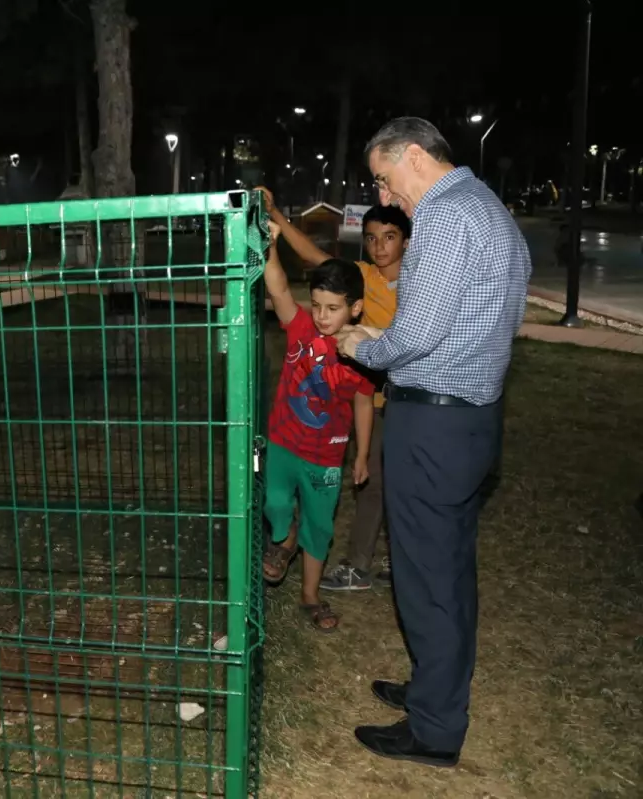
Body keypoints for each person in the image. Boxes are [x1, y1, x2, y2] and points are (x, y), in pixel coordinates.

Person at [335, 117, 530, 766]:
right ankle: (436, 687)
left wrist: (368, 346)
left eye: (385, 180)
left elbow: (416, 334)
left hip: (434, 423)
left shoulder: (446, 217)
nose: (386, 199)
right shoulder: (492, 209)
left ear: (415, 156)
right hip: (473, 418)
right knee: (450, 569)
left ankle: (435, 727)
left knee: (426, 578)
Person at [258, 188, 410, 590]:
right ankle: (346, 559)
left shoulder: (421, 286)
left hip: (398, 397)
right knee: (370, 480)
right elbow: (307, 266)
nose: (379, 246)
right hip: (354, 402)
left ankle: (394, 559)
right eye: (372, 237)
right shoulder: (355, 279)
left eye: (390, 236)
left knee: (392, 480)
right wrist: (273, 223)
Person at [261, 220, 374, 632]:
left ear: (355, 308)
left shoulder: (362, 349)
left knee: (320, 526)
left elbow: (363, 401)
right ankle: (284, 536)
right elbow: (277, 289)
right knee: (275, 504)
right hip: (284, 443)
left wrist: (360, 454)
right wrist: (271, 247)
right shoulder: (302, 326)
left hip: (327, 455)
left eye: (333, 308)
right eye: (318, 305)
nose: (322, 317)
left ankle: (310, 594)